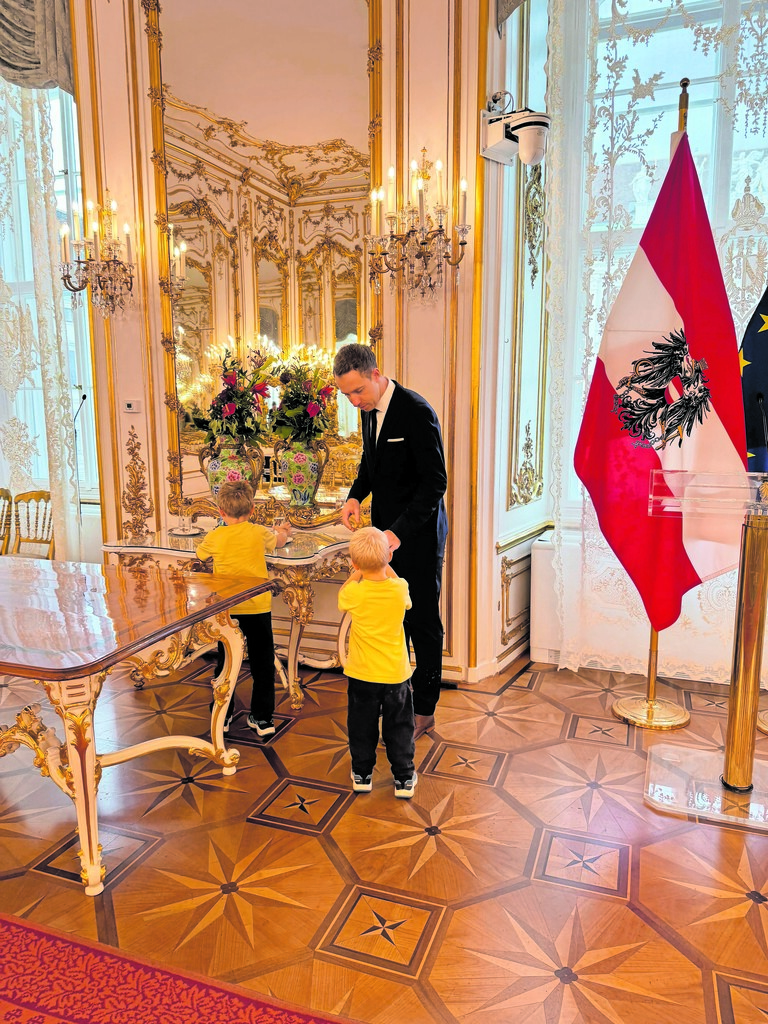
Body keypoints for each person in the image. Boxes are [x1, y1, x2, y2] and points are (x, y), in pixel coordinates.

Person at [333, 342, 448, 739]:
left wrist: (397, 533)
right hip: (382, 536)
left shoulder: (416, 412)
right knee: (388, 620)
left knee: (421, 621)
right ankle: (397, 700)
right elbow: (371, 463)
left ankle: (426, 708)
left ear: (376, 376)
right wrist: (353, 496)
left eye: (357, 391)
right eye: (345, 394)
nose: (352, 400)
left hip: (416, 536)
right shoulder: (368, 413)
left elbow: (436, 482)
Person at [195, 480, 291, 737]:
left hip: (227, 609)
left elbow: (200, 555)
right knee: (262, 662)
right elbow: (279, 541)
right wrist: (283, 530)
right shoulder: (258, 532)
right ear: (251, 511)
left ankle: (223, 714)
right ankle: (263, 719)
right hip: (258, 606)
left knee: (226, 662)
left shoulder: (216, 535)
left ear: (221, 512)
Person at [339, 526, 416, 797]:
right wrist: (386, 566)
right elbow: (401, 590)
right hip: (396, 674)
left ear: (355, 563)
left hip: (362, 674)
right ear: (389, 558)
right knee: (400, 725)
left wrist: (357, 572)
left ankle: (362, 773)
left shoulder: (354, 594)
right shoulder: (399, 589)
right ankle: (404, 777)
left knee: (361, 725)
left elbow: (344, 597)